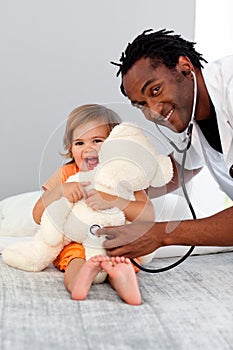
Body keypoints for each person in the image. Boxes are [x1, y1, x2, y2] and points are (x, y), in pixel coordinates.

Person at [97, 28, 233, 259]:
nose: (154, 111)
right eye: (141, 104)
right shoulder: (192, 117)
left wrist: (161, 235)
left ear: (184, 67)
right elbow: (173, 173)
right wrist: (107, 189)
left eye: (155, 90)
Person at [33, 104, 155, 305]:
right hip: (77, 242)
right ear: (71, 149)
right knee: (75, 259)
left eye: (97, 140)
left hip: (116, 241)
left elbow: (148, 215)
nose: (88, 148)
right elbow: (37, 215)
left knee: (122, 259)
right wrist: (59, 190)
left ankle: (124, 281)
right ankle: (81, 279)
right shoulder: (66, 174)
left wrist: (114, 200)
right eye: (79, 143)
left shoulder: (124, 175)